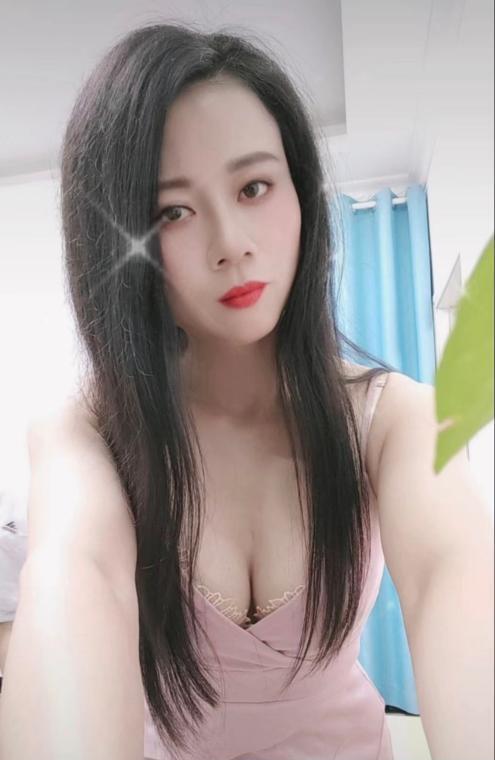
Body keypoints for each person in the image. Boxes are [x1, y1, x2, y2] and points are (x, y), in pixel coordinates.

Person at [0, 22, 492, 760]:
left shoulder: (396, 420)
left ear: (300, 194)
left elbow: (451, 581)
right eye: (171, 211)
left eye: (253, 186)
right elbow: (80, 576)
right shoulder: (87, 433)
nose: (231, 242)